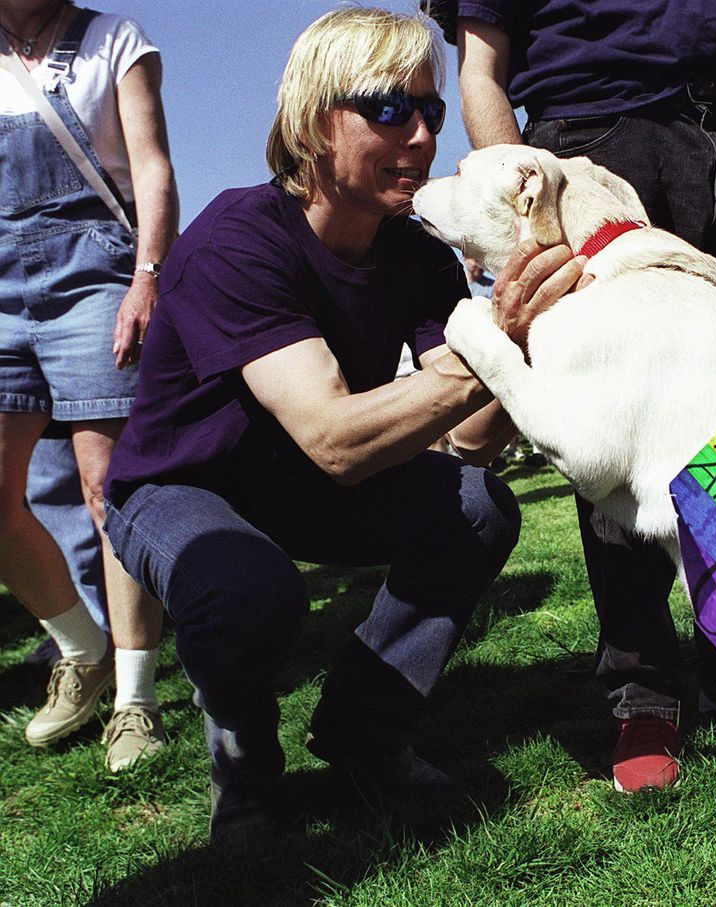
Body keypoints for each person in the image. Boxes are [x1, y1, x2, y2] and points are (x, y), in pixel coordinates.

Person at [102, 7, 578, 841]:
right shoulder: (236, 240)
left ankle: (366, 730)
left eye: (430, 109)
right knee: (246, 586)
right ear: (314, 122)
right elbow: (337, 439)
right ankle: (246, 773)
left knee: (476, 507)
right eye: (389, 109)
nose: (422, 135)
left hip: (300, 479)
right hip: (181, 485)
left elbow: (468, 439)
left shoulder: (417, 254)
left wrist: (543, 334)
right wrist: (494, 350)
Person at [449, 0, 716, 794]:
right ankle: (644, 692)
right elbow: (481, 66)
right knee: (612, 433)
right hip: (586, 152)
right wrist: (522, 211)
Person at [0, 0, 176, 770]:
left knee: (108, 487)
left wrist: (148, 276)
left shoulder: (114, 39)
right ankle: (83, 647)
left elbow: (151, 166)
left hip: (94, 274)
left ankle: (137, 699)